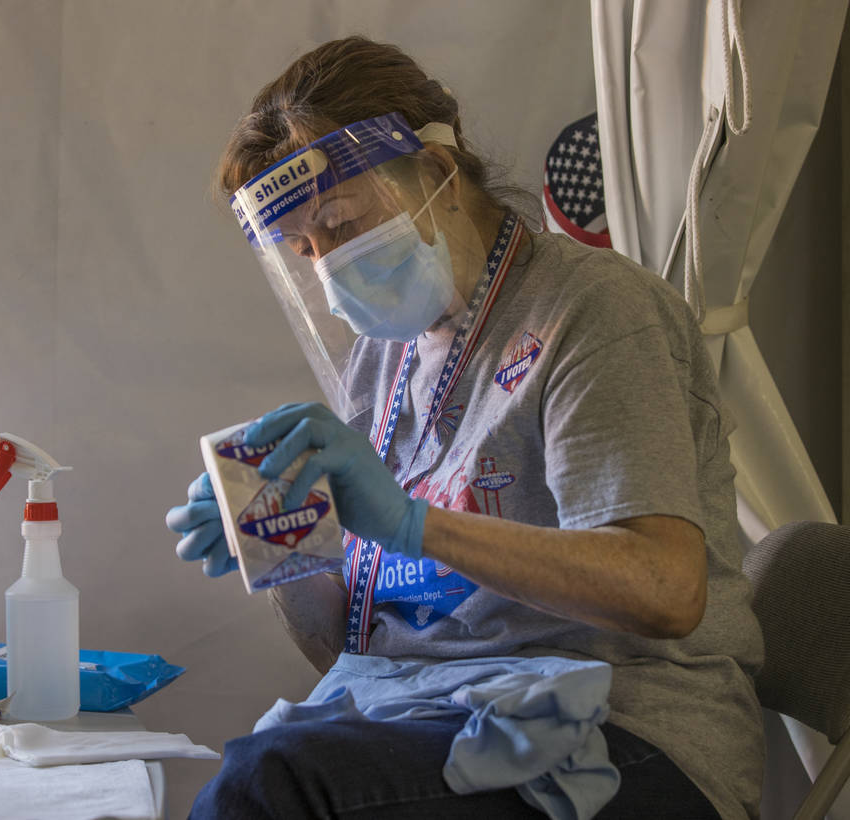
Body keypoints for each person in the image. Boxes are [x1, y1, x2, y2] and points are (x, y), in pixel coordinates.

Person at [166, 36, 763, 819]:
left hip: (632, 733)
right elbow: (355, 652)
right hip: (448, 711)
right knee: (271, 768)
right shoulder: (382, 367)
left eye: (341, 225)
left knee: (273, 783)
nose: (326, 268)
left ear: (439, 177)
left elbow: (666, 590)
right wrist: (283, 543)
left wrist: (417, 525)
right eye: (304, 248)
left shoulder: (592, 310)